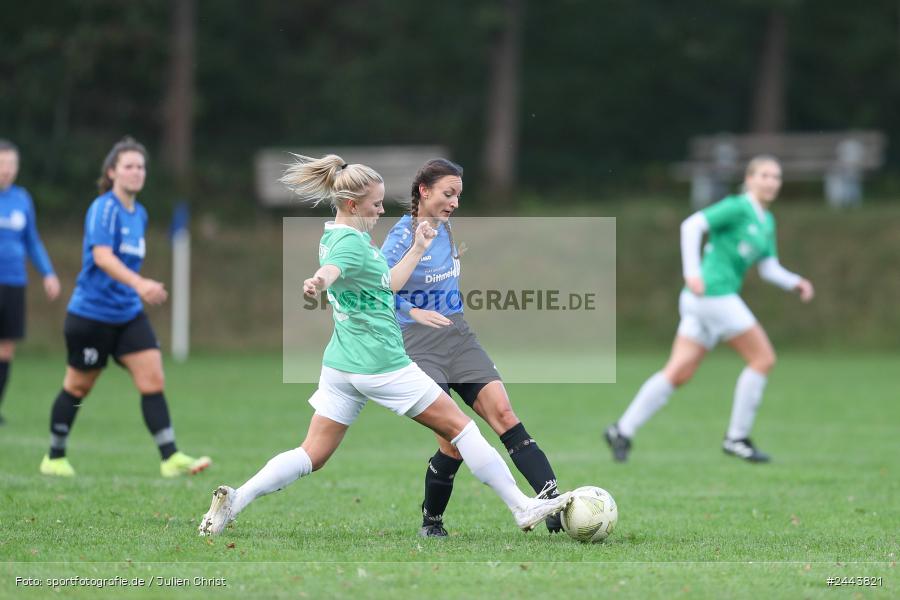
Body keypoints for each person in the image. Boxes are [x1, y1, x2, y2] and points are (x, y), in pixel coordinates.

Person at [198, 154, 571, 536]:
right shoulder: (349, 244)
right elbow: (332, 269)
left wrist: (418, 249)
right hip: (379, 363)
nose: (381, 210)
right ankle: (522, 507)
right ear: (351, 204)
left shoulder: (336, 235)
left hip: (341, 364)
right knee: (463, 430)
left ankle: (235, 501)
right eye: (375, 204)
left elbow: (386, 284)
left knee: (312, 453)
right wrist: (318, 281)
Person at [381, 158, 564, 537]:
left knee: (505, 415)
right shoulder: (400, 238)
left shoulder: (445, 228)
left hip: (458, 336)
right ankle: (432, 521)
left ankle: (553, 503)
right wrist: (413, 310)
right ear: (423, 191)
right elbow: (377, 291)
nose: (454, 202)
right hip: (417, 345)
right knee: (452, 442)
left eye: (458, 196)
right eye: (448, 194)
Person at [605, 155, 814, 463]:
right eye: (765, 175)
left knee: (678, 372)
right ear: (750, 179)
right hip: (713, 295)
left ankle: (621, 430)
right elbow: (691, 226)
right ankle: (737, 438)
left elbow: (768, 268)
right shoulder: (737, 206)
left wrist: (796, 282)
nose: (771, 182)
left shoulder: (766, 221)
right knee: (763, 358)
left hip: (704, 301)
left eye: (776, 177)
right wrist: (692, 272)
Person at [39, 137, 211, 478]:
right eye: (129, 166)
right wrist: (140, 284)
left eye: (141, 166)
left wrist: (135, 290)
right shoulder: (104, 208)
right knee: (77, 387)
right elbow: (103, 257)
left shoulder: (139, 213)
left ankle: (170, 457)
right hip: (91, 315)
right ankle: (54, 457)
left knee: (153, 378)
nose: (136, 172)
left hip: (128, 314)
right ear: (112, 172)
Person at [0, 139, 61, 425]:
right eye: (2, 163)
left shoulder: (22, 199)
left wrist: (48, 273)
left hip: (14, 282)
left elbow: (32, 241)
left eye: (11, 164)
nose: (6, 169)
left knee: (6, 348)